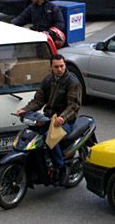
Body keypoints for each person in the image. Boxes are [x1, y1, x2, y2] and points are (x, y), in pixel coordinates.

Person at [15, 54, 81, 186]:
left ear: (65, 65)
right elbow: (38, 100)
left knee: (49, 138)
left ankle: (61, 168)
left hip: (66, 121)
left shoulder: (73, 82)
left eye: (62, 66)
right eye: (56, 67)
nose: (59, 69)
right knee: (32, 135)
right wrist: (25, 110)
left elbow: (73, 106)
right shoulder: (48, 80)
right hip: (48, 118)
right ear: (51, 67)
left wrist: (62, 117)